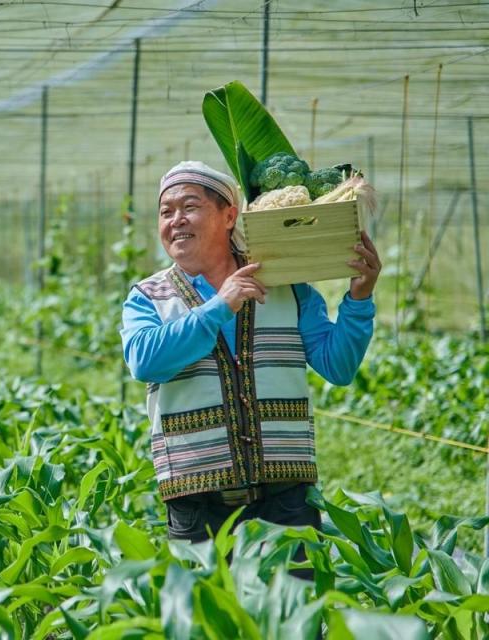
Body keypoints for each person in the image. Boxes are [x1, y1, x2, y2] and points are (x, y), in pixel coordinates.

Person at [120, 161, 381, 553]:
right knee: (205, 616)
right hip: (196, 501)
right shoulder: (148, 296)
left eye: (189, 207)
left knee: (292, 611)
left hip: (286, 497)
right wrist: (220, 306)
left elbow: (337, 365)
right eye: (165, 212)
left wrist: (359, 300)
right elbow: (146, 361)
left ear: (229, 216)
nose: (176, 220)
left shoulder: (286, 286)